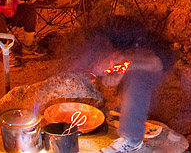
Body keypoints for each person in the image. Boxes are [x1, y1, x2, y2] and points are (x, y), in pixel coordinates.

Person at [67, 16, 175, 153]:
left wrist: (122, 70)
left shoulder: (142, 44)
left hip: (153, 63)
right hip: (124, 53)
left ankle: (132, 139)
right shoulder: (103, 37)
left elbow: (155, 63)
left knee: (136, 79)